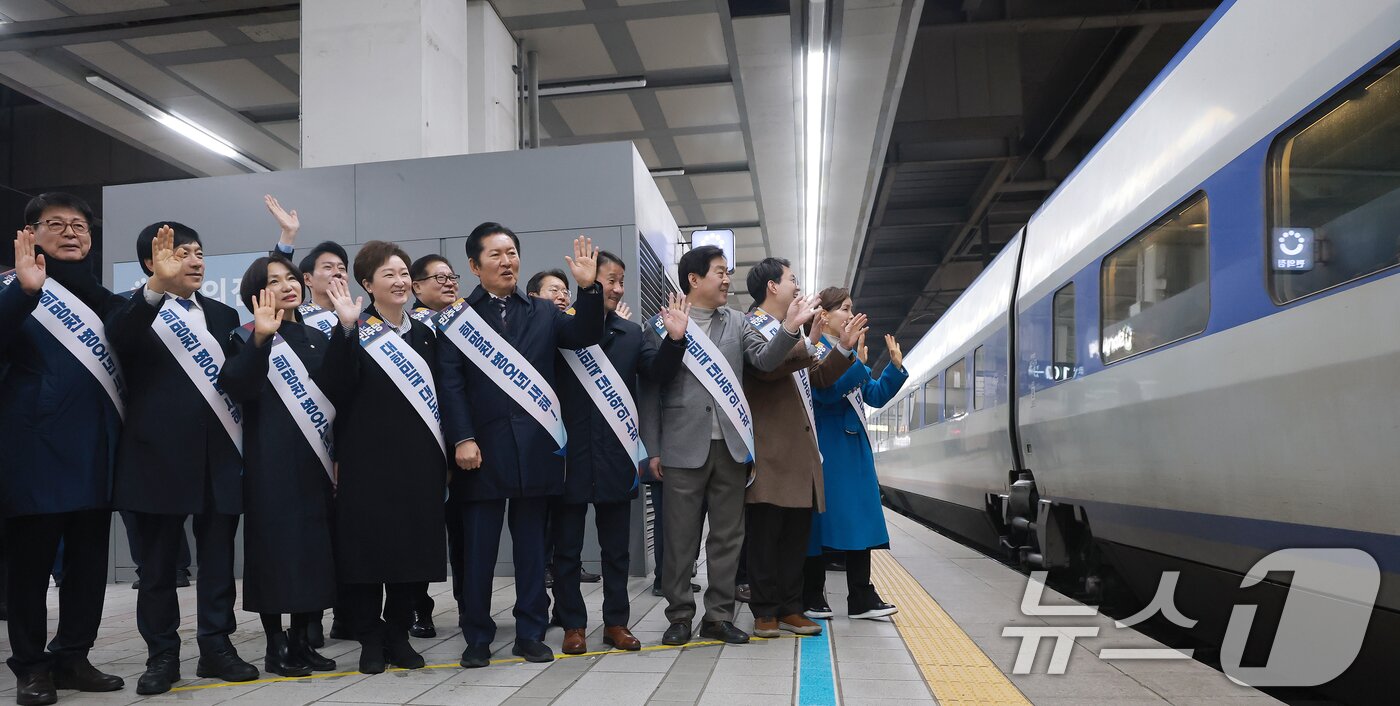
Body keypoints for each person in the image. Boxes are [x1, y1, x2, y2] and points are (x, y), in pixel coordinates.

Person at [437, 224, 605, 668]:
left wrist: (589, 291)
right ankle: (477, 635)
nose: (507, 261)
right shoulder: (456, 318)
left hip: (536, 449)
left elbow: (585, 334)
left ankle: (531, 632)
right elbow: (450, 384)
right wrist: (463, 438)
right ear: (475, 266)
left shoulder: (545, 312)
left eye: (511, 252)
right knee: (478, 552)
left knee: (533, 549)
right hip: (482, 453)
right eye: (495, 255)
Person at [638, 245, 818, 647]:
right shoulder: (660, 324)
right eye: (719, 272)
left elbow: (766, 362)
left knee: (727, 539)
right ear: (694, 279)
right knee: (680, 540)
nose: (727, 280)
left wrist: (789, 329)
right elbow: (649, 390)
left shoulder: (739, 322)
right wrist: (651, 449)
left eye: (727, 272)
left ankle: (718, 617)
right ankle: (679, 615)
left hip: (732, 449)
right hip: (681, 449)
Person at [107, 223, 255, 695]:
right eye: (180, 253)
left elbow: (238, 381)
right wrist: (153, 292)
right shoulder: (130, 307)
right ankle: (162, 655)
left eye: (199, 252)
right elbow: (122, 342)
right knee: (158, 570)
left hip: (217, 458)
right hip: (156, 460)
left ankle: (216, 648)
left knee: (217, 563)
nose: (194, 261)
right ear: (152, 262)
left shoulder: (221, 312)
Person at [0, 194, 127, 705]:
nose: (71, 232)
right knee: (28, 570)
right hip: (35, 454)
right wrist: (26, 294)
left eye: (80, 225)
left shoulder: (108, 301)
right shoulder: (13, 291)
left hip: (96, 454)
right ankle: (31, 667)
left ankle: (73, 656)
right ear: (30, 234)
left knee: (88, 566)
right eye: (56, 224)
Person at [219, 256, 359, 677]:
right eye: (273, 282)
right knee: (274, 553)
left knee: (314, 552)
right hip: (270, 461)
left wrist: (347, 328)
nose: (287, 286)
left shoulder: (316, 335)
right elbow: (238, 385)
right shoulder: (245, 337)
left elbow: (343, 384)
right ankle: (275, 645)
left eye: (290, 278)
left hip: (316, 459)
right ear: (255, 295)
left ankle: (302, 641)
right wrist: (262, 339)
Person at [551, 251, 689, 655]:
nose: (617, 288)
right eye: (610, 279)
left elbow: (657, 373)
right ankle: (573, 624)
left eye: (621, 280)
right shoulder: (561, 328)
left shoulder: (632, 332)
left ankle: (617, 622)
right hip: (569, 457)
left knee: (616, 551)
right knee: (567, 551)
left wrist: (675, 340)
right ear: (590, 281)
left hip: (616, 456)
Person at [334, 241, 447, 674]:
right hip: (366, 463)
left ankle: (398, 633)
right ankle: (369, 637)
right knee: (366, 555)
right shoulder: (353, 329)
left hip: (419, 464)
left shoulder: (425, 334)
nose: (400, 281)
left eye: (404, 273)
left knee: (411, 556)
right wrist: (346, 331)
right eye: (388, 275)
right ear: (367, 284)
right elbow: (336, 388)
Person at [740, 259, 865, 639]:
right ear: (772, 287)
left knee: (796, 537)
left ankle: (790, 607)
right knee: (765, 536)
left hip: (801, 453)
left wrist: (842, 350)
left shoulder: (790, 333)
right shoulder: (751, 326)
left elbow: (817, 378)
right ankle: (764, 610)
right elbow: (765, 367)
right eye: (791, 279)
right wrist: (800, 336)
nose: (797, 286)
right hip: (769, 451)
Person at [803, 287, 908, 620]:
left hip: (855, 449)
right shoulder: (814, 350)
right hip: (828, 448)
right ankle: (811, 594)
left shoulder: (847, 352)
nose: (851, 315)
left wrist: (893, 368)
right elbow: (826, 394)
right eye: (845, 309)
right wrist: (857, 364)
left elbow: (873, 396)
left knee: (862, 520)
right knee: (821, 523)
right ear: (824, 315)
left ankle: (861, 596)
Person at [403, 253, 462, 640]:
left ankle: (470, 606)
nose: (447, 282)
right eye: (437, 277)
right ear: (416, 287)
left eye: (451, 275)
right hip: (419, 449)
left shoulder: (467, 321)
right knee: (418, 534)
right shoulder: (406, 330)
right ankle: (417, 608)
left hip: (461, 445)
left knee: (463, 534)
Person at [266, 194, 350, 338]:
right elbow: (276, 272)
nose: (337, 273)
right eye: (328, 267)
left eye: (341, 268)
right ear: (307, 279)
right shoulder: (295, 313)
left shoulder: (362, 322)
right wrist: (288, 234)